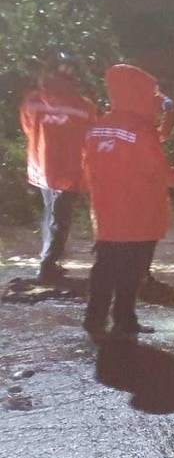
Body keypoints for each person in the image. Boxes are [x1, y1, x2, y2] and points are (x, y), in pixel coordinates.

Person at [82, 64, 174, 341]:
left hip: (106, 212)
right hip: (139, 215)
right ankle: (124, 320)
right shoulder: (141, 130)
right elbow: (162, 174)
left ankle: (94, 318)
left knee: (105, 267)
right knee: (132, 272)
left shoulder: (99, 127)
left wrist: (168, 116)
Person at [20, 52, 97, 284]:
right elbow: (91, 137)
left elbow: (27, 128)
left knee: (51, 215)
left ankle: (49, 260)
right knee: (61, 217)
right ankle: (48, 265)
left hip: (42, 168)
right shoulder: (83, 105)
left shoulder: (33, 101)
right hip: (71, 169)